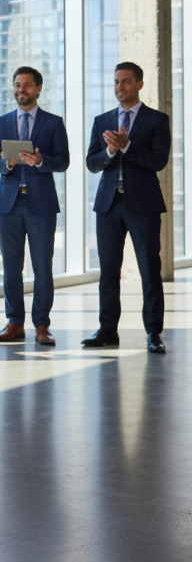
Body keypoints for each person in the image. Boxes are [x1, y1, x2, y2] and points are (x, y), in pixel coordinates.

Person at [83, 62, 171, 354]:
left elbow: (159, 161)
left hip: (143, 205)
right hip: (108, 206)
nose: (120, 87)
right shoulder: (102, 120)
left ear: (140, 85)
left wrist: (128, 145)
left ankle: (153, 333)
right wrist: (110, 150)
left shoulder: (157, 120)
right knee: (108, 272)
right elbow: (92, 163)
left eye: (126, 82)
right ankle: (107, 330)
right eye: (116, 82)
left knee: (149, 269)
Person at [0, 66, 70, 346]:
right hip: (8, 204)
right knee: (11, 268)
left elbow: (63, 161)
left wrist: (41, 162)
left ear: (38, 89)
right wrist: (7, 163)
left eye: (28, 85)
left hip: (41, 205)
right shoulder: (0, 122)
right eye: (18, 85)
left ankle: (42, 325)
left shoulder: (54, 122)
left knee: (43, 267)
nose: (22, 90)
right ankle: (15, 323)